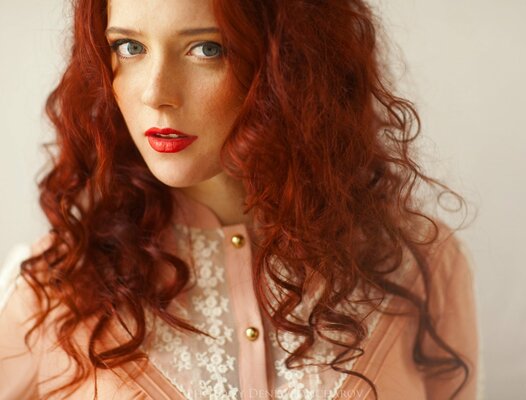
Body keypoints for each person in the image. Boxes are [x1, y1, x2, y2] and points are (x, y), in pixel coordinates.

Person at [0, 0, 482, 399]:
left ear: (290, 63)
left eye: (206, 49)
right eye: (130, 47)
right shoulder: (52, 290)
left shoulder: (419, 263)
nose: (155, 93)